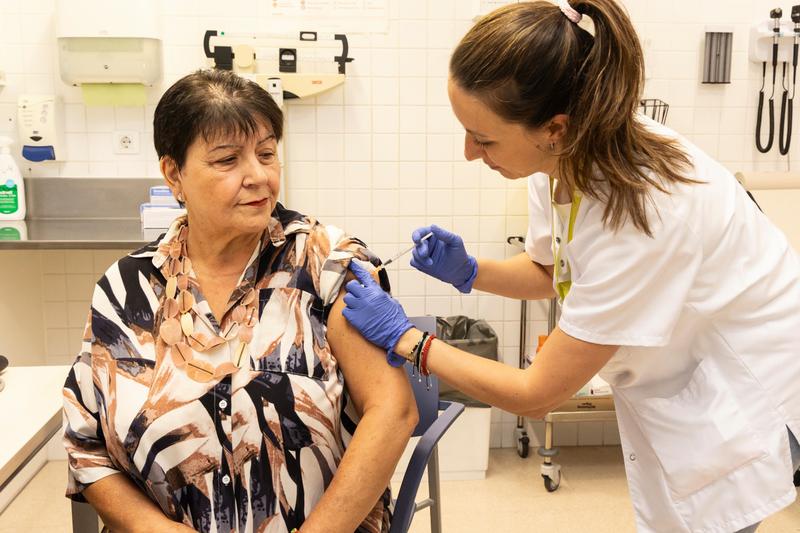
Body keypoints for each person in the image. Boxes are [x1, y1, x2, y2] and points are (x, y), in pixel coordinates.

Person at [342, 1, 800, 532]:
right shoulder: (559, 157)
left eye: (484, 138)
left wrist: (409, 340)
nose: (470, 152)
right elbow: (552, 272)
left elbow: (537, 394)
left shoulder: (643, 214)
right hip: (685, 373)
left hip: (745, 387)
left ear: (554, 128)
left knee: (716, 517)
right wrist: (470, 271)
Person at [62, 69, 418, 533]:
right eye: (227, 159)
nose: (258, 176)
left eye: (267, 153)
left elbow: (392, 411)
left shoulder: (325, 264)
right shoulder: (126, 288)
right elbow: (87, 446)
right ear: (174, 173)